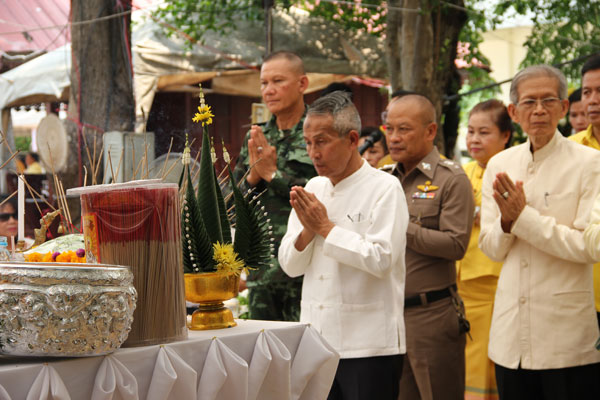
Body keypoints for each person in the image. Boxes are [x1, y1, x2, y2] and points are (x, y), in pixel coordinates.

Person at [479, 64, 600, 399]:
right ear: (514, 112)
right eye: (529, 102)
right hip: (509, 331)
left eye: (549, 101)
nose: (539, 110)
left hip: (566, 335)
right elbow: (491, 248)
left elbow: (589, 247)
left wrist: (523, 218)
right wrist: (506, 223)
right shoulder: (500, 165)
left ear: (564, 107)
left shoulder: (589, 163)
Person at [279, 91, 408, 400]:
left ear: (352, 139)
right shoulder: (314, 187)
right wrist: (309, 232)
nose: (313, 153)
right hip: (318, 340)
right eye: (308, 143)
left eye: (321, 141)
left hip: (370, 344)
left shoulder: (384, 188)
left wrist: (325, 227)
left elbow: (381, 259)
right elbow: (290, 265)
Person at [384, 94, 474, 400]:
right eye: (389, 128)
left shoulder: (451, 179)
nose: (394, 137)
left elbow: (455, 244)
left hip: (432, 315)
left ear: (431, 131)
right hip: (389, 314)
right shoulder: (383, 180)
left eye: (404, 129)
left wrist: (400, 227)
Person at [233, 51, 317, 321]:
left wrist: (273, 175)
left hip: (306, 268)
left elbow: (326, 196)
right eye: (263, 83)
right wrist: (253, 179)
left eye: (278, 81)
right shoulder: (256, 138)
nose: (269, 90)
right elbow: (231, 206)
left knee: (308, 356)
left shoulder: (319, 134)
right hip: (262, 272)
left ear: (302, 84)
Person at [457, 99, 512, 400]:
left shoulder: (513, 169)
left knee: (492, 361)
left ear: (505, 135)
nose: (474, 140)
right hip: (460, 283)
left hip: (495, 281)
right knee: (466, 361)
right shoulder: (460, 172)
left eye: (484, 132)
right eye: (470, 132)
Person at [569, 55, 600, 326]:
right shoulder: (569, 150)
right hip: (581, 292)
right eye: (587, 91)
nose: (592, 99)